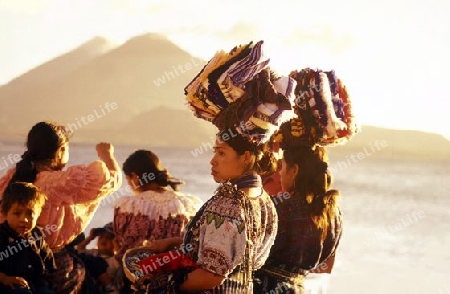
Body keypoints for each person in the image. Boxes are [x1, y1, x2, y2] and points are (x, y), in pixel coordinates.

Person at [131, 131, 280, 293]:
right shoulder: (264, 200)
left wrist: (164, 285)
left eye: (221, 153)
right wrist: (175, 242)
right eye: (214, 152)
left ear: (246, 157)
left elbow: (211, 276)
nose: (212, 161)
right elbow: (230, 248)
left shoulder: (229, 202)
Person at [0, 121, 122, 293]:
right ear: (60, 151)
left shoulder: (12, 176)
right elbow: (109, 181)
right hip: (42, 258)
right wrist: (107, 155)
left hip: (8, 257)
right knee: (81, 272)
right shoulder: (61, 181)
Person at [113, 149, 203, 292]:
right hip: (175, 279)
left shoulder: (128, 206)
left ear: (135, 177)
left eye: (128, 180)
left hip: (138, 279)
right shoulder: (188, 204)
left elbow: (124, 245)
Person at [0, 182, 56, 294]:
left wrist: (49, 276)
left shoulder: (37, 235)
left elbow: (47, 257)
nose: (24, 219)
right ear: (5, 214)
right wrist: (5, 278)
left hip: (34, 283)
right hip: (8, 284)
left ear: (38, 215)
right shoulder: (1, 235)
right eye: (17, 213)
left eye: (30, 214)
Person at [75, 223, 120, 293]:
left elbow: (121, 257)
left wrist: (117, 244)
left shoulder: (113, 260)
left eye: (108, 238)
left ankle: (110, 288)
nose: (104, 240)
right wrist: (90, 237)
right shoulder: (94, 252)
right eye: (101, 237)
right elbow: (79, 250)